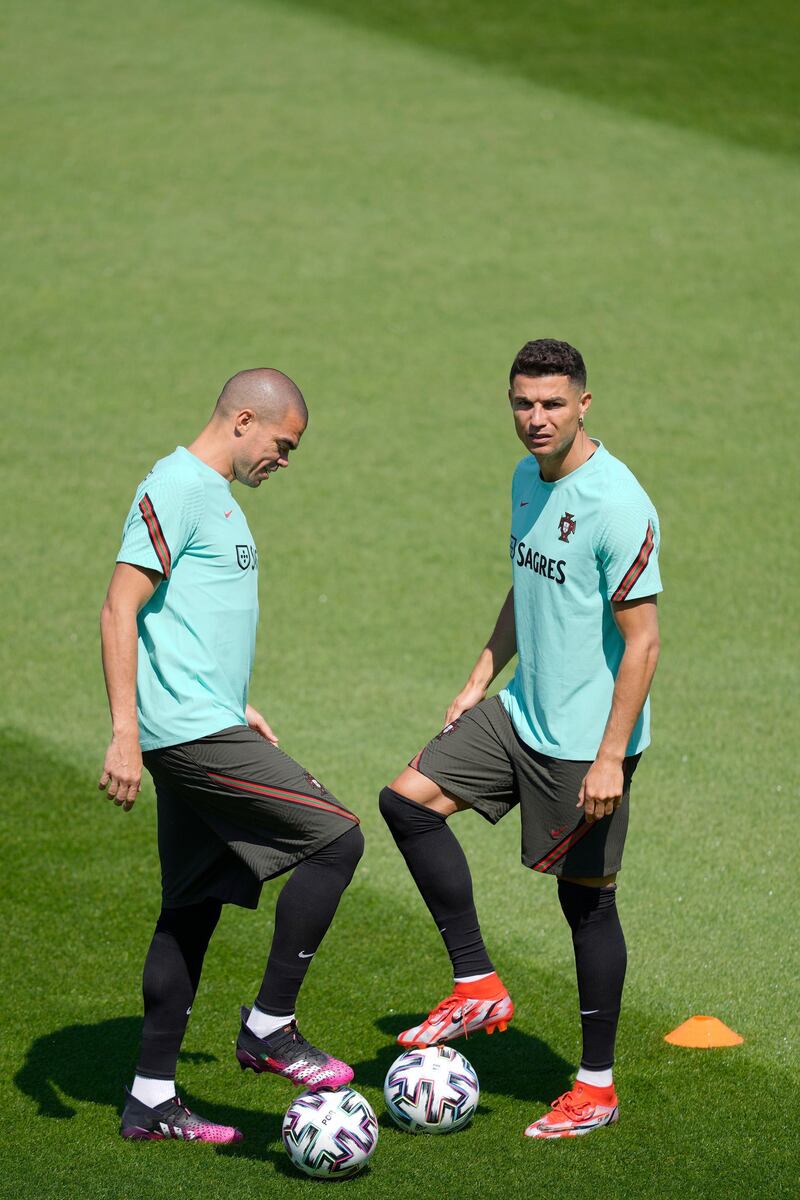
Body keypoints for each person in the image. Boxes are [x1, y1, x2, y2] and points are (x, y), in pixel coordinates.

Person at [379, 339, 661, 1139]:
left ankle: (595, 1087)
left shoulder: (618, 503)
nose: (535, 419)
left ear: (584, 404)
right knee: (405, 803)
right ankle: (476, 980)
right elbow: (527, 576)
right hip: (519, 710)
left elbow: (642, 641)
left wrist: (611, 757)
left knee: (587, 907)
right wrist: (479, 677)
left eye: (551, 404)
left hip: (584, 743)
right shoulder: (525, 478)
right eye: (522, 403)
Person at [99, 369, 364, 1144]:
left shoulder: (215, 497)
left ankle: (150, 1099)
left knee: (190, 908)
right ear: (244, 420)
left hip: (205, 718)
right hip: (184, 733)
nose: (285, 459)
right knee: (337, 839)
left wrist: (230, 699)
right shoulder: (179, 486)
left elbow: (185, 618)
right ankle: (270, 1025)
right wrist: (125, 732)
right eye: (283, 444)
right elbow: (121, 604)